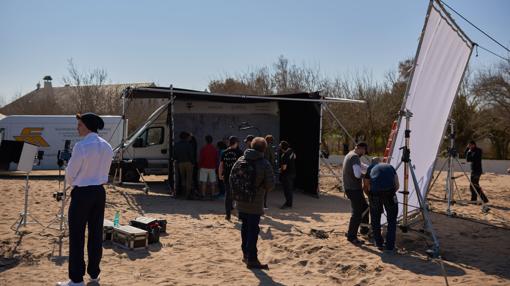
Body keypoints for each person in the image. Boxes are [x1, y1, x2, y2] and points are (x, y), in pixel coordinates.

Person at [57, 113, 113, 286]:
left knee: (77, 235)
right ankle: (94, 274)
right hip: (99, 192)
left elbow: (70, 175)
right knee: (96, 234)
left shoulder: (81, 146)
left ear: (87, 126)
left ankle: (76, 279)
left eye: (80, 125)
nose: (77, 128)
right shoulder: (107, 146)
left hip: (82, 193)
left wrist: (75, 184)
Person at [234, 137, 274, 269]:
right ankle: (252, 259)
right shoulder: (264, 163)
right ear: (264, 149)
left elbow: (231, 178)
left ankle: (245, 254)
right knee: (253, 230)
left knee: (245, 228)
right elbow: (270, 185)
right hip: (255, 203)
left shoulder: (241, 159)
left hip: (241, 200)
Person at [364, 157, 399, 252]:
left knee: (375, 220)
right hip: (390, 194)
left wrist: (370, 196)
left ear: (372, 162)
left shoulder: (371, 167)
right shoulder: (390, 167)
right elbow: (397, 185)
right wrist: (390, 194)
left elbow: (366, 185)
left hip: (375, 195)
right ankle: (390, 246)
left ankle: (379, 243)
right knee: (392, 220)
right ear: (381, 162)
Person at [342, 142, 370, 245]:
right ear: (361, 149)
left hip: (350, 188)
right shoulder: (354, 157)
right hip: (353, 189)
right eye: (364, 151)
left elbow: (362, 166)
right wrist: (367, 176)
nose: (364, 153)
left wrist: (372, 168)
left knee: (365, 208)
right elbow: (357, 174)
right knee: (357, 213)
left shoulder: (350, 154)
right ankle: (351, 236)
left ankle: (364, 230)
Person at [219, 136, 243, 220]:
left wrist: (219, 174)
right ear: (236, 143)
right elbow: (242, 166)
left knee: (228, 195)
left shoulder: (224, 152)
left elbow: (221, 165)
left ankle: (228, 215)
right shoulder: (240, 152)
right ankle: (240, 215)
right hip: (237, 177)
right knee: (238, 196)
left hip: (227, 176)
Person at [174, 132, 194, 199]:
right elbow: (191, 154)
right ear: (186, 137)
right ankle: (187, 194)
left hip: (180, 163)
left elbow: (175, 154)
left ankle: (183, 192)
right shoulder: (189, 145)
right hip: (188, 163)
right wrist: (193, 162)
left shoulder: (177, 145)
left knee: (183, 178)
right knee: (189, 179)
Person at [198, 135, 219, 199]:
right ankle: (212, 195)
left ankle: (203, 195)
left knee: (203, 182)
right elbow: (216, 159)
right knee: (212, 182)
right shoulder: (214, 149)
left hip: (204, 167)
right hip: (212, 167)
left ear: (206, 140)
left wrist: (199, 166)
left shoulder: (203, 148)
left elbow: (201, 158)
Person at [279, 140, 296, 209]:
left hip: (287, 175)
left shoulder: (284, 155)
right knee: (290, 189)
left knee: (287, 190)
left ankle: (288, 204)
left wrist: (280, 170)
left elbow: (284, 167)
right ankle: (289, 203)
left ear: (283, 147)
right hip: (293, 173)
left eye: (280, 146)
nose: (279, 147)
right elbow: (295, 157)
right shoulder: (291, 151)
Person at [263, 135, 276, 208]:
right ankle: (264, 204)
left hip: (260, 166)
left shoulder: (262, 146)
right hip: (267, 168)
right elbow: (272, 159)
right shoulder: (270, 147)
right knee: (265, 187)